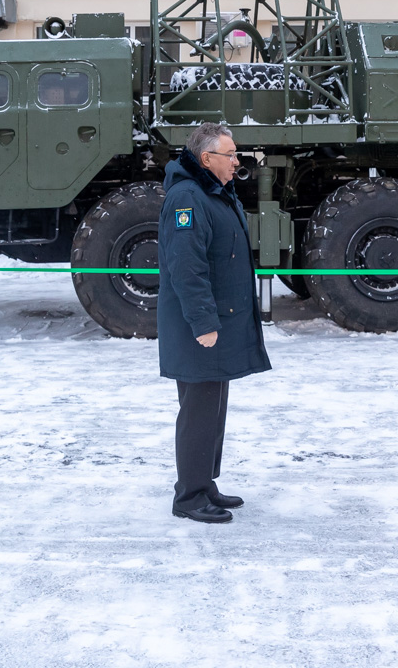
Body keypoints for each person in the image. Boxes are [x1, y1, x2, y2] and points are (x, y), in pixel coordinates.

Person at [158, 122, 271, 524]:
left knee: (212, 408)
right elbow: (187, 268)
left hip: (214, 324)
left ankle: (203, 483)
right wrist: (204, 322)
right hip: (197, 327)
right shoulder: (187, 198)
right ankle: (188, 497)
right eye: (231, 154)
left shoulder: (213, 193)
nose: (237, 161)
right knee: (198, 411)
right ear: (207, 159)